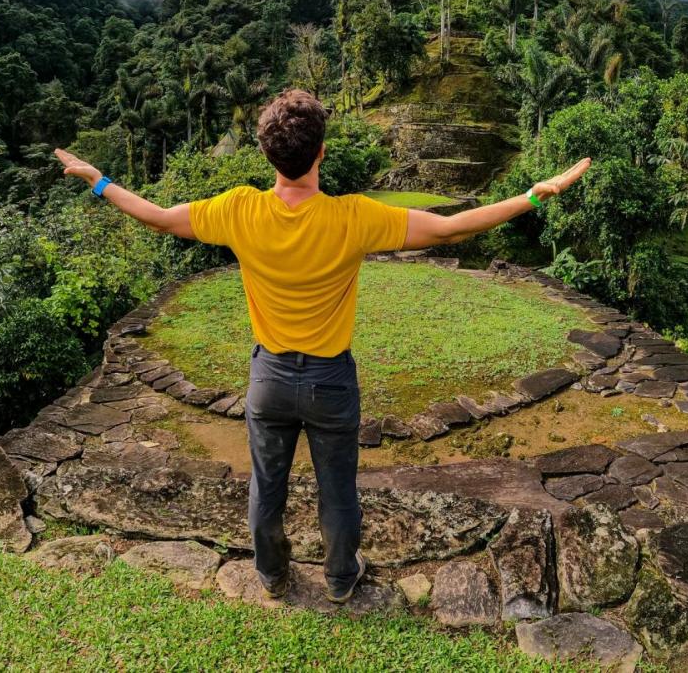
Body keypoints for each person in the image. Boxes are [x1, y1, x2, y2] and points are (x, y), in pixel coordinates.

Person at [54, 88, 590, 602]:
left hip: (269, 379)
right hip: (330, 380)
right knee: (338, 489)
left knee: (267, 486)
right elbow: (450, 229)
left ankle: (271, 574)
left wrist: (100, 182)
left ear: (267, 154)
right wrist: (531, 196)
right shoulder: (351, 216)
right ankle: (339, 578)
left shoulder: (239, 209)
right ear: (321, 152)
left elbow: (159, 217)